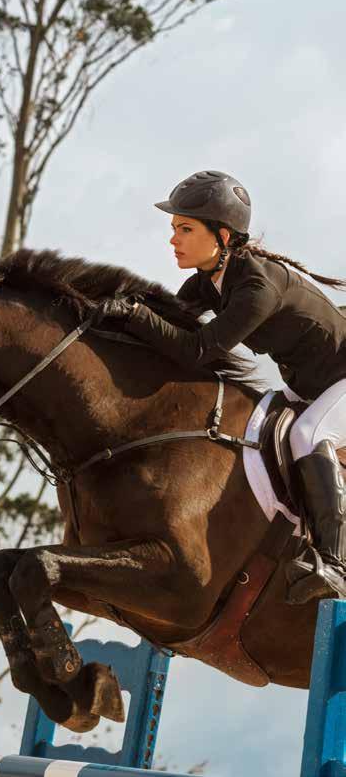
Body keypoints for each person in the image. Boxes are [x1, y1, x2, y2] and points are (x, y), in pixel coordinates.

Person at [96, 169, 346, 605]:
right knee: (256, 426)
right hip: (309, 384)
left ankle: (336, 565)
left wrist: (136, 315)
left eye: (186, 229)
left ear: (223, 235)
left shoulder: (256, 287)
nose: (174, 239)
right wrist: (115, 312)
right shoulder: (209, 282)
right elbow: (169, 322)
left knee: (309, 436)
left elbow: (196, 351)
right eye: (174, 229)